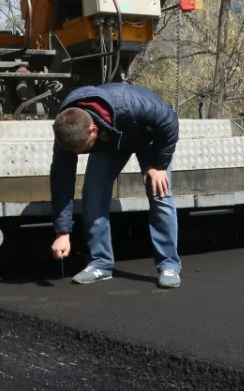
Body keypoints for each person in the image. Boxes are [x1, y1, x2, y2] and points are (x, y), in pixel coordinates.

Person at [49, 83, 182, 288]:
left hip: (147, 135)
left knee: (160, 192)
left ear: (92, 129)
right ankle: (100, 264)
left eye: (84, 149)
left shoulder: (131, 103)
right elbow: (61, 181)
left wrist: (159, 165)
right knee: (93, 195)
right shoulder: (67, 128)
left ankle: (169, 265)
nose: (80, 154)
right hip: (110, 140)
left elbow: (169, 122)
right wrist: (62, 233)